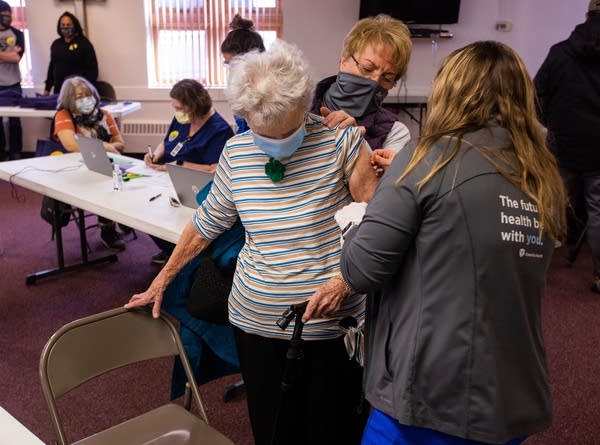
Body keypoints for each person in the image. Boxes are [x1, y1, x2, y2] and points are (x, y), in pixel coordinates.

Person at [126, 40, 379, 445]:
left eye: (288, 130)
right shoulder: (236, 152)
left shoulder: (342, 143)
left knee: (330, 431)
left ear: (305, 104)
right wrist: (162, 280)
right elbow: (204, 225)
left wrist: (345, 282)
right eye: (265, 133)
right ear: (245, 116)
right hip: (254, 323)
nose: (277, 143)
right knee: (273, 428)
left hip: (329, 328)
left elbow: (378, 227)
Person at [335, 41, 567, 445]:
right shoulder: (541, 173)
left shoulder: (426, 159)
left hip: (428, 394)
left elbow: (360, 269)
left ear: (450, 91)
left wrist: (363, 213)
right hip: (510, 386)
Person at [534, 0, 600, 292]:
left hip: (562, 144)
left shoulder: (559, 52)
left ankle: (532, 267)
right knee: (598, 210)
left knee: (549, 204)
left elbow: (536, 97)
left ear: (586, 15)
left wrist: (553, 126)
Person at [144, 79, 234, 264]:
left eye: (180, 108)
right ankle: (170, 247)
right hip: (166, 177)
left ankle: (182, 253)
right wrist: (155, 154)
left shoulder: (219, 129)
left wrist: (181, 164)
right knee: (147, 209)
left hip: (196, 187)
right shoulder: (182, 119)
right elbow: (167, 140)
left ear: (194, 106)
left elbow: (216, 168)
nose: (177, 113)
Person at [311, 14, 412, 173]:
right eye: (367, 68)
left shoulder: (394, 133)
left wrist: (356, 144)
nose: (374, 82)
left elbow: (377, 195)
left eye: (387, 77)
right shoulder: (301, 110)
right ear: (343, 61)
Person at [54, 76, 126, 251]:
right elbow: (71, 145)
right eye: (79, 97)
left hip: (106, 165)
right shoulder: (64, 115)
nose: (85, 99)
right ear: (69, 99)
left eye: (87, 95)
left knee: (118, 179)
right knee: (103, 182)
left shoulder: (105, 115)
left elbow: (121, 144)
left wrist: (103, 148)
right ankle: (108, 228)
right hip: (77, 166)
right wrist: (107, 146)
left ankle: (121, 218)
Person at [220, 14, 265, 134]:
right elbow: (243, 129)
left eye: (234, 64)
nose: (231, 70)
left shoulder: (267, 90)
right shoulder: (239, 87)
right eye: (227, 63)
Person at [43, 11, 98, 96]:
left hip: (78, 92)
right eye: (63, 25)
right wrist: (47, 89)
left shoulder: (84, 43)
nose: (65, 27)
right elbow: (52, 68)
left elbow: (93, 70)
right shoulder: (56, 44)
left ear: (75, 26)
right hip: (59, 91)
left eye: (68, 25)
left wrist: (83, 88)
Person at [0, 1, 23, 161]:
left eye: (10, 14)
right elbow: (12, 55)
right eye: (4, 14)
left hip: (14, 83)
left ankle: (16, 153)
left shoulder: (18, 33)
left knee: (16, 121)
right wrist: (8, 55)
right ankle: (1, 154)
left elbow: (16, 58)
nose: (8, 17)